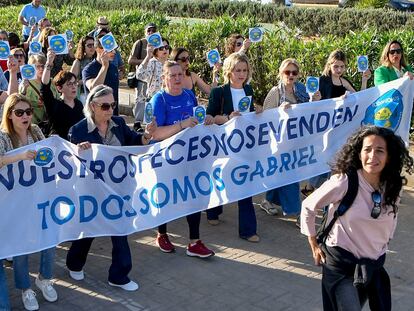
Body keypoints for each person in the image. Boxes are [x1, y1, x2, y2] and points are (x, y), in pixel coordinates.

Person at [301, 126, 413, 311]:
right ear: (359, 153)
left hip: (373, 265)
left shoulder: (393, 186)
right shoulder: (344, 181)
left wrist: (385, 242)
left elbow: (393, 216)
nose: (372, 156)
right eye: (367, 149)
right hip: (341, 265)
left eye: (379, 151)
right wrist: (314, 244)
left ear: (389, 156)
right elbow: (308, 206)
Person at [66, 84, 153, 291]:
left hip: (119, 190)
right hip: (92, 191)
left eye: (113, 105)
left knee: (120, 230)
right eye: (105, 106)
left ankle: (119, 275)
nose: (110, 110)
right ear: (93, 106)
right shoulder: (78, 130)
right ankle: (74, 263)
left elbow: (134, 141)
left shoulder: (119, 123)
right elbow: (70, 162)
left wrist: (146, 137)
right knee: (89, 230)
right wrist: (79, 150)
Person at [150, 61, 215, 258]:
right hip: (166, 159)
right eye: (173, 75)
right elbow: (156, 134)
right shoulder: (159, 100)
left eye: (180, 74)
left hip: (190, 156)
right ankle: (162, 234)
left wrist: (207, 120)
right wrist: (182, 125)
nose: (177, 79)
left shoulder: (189, 95)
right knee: (166, 197)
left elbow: (196, 122)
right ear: (164, 78)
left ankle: (194, 242)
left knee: (192, 196)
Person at [0, 94, 57, 311]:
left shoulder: (36, 131)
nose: (25, 116)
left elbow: (47, 156)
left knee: (50, 240)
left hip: (37, 197)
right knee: (21, 248)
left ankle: (44, 278)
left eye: (28, 112)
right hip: (14, 204)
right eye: (19, 112)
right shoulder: (3, 137)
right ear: (10, 115)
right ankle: (25, 289)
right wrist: (20, 156)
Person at [206, 53, 261, 242]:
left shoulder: (249, 89)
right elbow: (210, 118)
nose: (242, 74)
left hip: (244, 145)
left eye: (245, 70)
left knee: (246, 185)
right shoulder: (219, 92)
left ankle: (248, 230)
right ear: (229, 71)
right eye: (238, 70)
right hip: (223, 145)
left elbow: (250, 114)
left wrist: (257, 112)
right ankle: (212, 210)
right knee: (219, 178)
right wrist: (228, 118)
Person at [304, 49, 371, 194]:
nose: (339, 70)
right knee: (324, 156)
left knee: (334, 158)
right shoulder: (322, 81)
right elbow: (315, 102)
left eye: (342, 66)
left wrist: (364, 80)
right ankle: (312, 186)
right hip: (325, 128)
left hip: (342, 128)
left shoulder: (345, 81)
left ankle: (321, 189)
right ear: (329, 65)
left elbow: (360, 98)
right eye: (336, 66)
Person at [261, 58, 321, 217]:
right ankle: (296, 212)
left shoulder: (302, 89)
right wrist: (279, 111)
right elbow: (265, 117)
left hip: (297, 141)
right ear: (281, 73)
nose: (291, 75)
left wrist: (315, 101)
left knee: (281, 174)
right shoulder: (276, 92)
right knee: (291, 176)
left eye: (294, 72)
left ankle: (269, 200)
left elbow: (309, 112)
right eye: (287, 72)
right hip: (280, 143)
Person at [41, 49, 84, 138]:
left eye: (75, 83)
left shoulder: (79, 104)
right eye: (69, 84)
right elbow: (45, 85)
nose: (73, 86)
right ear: (59, 88)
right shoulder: (54, 105)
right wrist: (49, 62)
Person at [82, 31, 120, 115]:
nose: (114, 52)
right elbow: (93, 88)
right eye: (110, 49)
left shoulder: (113, 68)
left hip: (112, 116)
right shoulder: (88, 69)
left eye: (115, 49)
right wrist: (104, 67)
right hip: (96, 117)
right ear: (98, 50)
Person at [128, 23, 156, 130]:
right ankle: (137, 123)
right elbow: (130, 60)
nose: (151, 32)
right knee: (140, 99)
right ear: (145, 32)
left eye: (153, 30)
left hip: (155, 77)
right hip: (142, 76)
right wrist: (146, 60)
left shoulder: (159, 44)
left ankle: (151, 123)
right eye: (149, 30)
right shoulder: (139, 43)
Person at [19, 54, 58, 126]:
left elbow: (58, 99)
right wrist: (24, 90)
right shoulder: (26, 84)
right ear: (31, 68)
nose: (41, 69)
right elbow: (20, 104)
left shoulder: (51, 82)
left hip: (51, 123)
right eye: (37, 66)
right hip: (34, 125)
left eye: (43, 66)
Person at [136, 37, 170, 102]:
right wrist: (148, 56)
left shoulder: (172, 64)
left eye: (166, 47)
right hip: (154, 99)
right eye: (161, 48)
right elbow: (140, 75)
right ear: (156, 51)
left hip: (168, 100)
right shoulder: (152, 62)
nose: (165, 50)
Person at [70, 35, 96, 103]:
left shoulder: (97, 60)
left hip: (96, 94)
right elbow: (71, 82)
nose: (92, 47)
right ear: (83, 47)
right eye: (89, 45)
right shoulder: (78, 62)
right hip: (83, 95)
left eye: (94, 45)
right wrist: (84, 80)